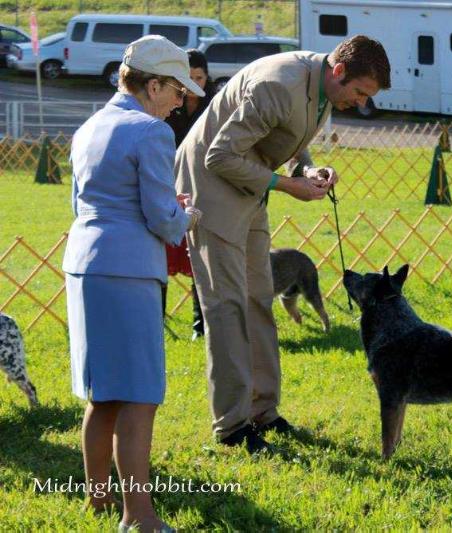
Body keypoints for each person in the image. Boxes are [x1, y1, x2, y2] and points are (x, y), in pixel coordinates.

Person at [175, 35, 391, 453]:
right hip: (211, 191)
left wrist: (308, 169)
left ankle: (263, 411)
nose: (362, 103)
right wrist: (287, 185)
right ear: (339, 70)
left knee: (259, 297)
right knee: (227, 306)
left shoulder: (323, 85)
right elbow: (216, 157)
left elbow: (290, 132)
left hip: (251, 183)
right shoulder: (279, 83)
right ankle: (233, 427)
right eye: (360, 93)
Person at [62, 35, 204, 532]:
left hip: (83, 263)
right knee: (140, 395)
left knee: (104, 394)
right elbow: (162, 220)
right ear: (154, 84)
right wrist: (186, 215)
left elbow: (84, 203)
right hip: (127, 270)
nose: (182, 101)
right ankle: (139, 516)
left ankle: (98, 501)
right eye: (177, 90)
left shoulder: (89, 126)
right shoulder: (150, 132)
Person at [163, 49, 216, 340]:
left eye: (200, 77)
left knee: (199, 257)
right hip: (169, 184)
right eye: (189, 78)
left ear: (207, 78)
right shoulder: (171, 105)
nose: (195, 83)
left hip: (202, 186)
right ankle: (156, 319)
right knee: (162, 254)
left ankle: (200, 324)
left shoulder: (215, 105)